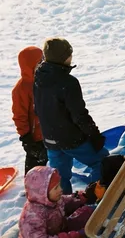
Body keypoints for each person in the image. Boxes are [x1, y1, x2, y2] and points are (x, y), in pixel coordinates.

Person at [34, 38, 107, 195]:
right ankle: (96, 197)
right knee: (101, 161)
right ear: (63, 57)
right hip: (71, 138)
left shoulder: (39, 76)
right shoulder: (68, 82)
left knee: (59, 177)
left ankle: (62, 204)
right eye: (69, 54)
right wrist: (94, 134)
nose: (71, 57)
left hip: (50, 138)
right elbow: (79, 114)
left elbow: (38, 108)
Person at [18, 167, 93, 238]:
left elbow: (66, 201)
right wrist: (71, 237)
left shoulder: (52, 199)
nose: (61, 189)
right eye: (56, 188)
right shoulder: (33, 216)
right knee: (82, 234)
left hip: (59, 228)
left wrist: (82, 197)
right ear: (43, 192)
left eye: (59, 185)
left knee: (87, 212)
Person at [12, 46, 47, 174]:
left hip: (49, 132)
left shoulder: (44, 80)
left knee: (51, 165)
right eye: (39, 62)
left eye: (43, 60)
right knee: (35, 167)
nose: (42, 64)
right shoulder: (21, 89)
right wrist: (26, 138)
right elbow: (19, 116)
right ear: (29, 65)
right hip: (34, 138)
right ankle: (32, 189)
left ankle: (51, 188)